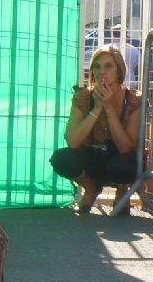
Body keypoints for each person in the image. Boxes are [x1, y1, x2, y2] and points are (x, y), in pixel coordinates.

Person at [50, 45, 141, 215]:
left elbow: (126, 148)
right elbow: (72, 141)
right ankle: (90, 188)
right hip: (92, 157)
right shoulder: (83, 98)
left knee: (126, 164)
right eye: (97, 67)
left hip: (119, 159)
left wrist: (109, 110)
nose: (102, 72)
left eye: (108, 66)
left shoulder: (133, 99)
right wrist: (96, 109)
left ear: (119, 71)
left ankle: (122, 190)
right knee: (61, 159)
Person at [110, 24, 141, 90]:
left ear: (112, 35)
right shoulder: (134, 50)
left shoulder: (108, 49)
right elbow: (141, 69)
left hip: (111, 84)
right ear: (126, 35)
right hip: (130, 84)